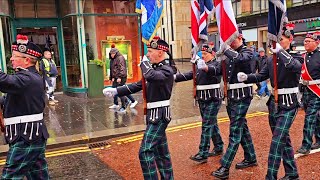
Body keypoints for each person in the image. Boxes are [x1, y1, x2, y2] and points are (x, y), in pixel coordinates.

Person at [103, 36, 174, 179]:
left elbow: (151, 76)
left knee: (145, 151)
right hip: (154, 115)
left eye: (150, 51)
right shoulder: (156, 69)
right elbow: (139, 85)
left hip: (159, 116)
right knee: (162, 154)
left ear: (160, 53)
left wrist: (144, 64)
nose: (148, 54)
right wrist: (117, 90)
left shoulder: (167, 70)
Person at [237, 23, 302, 180]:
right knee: (283, 140)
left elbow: (295, 66)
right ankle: (292, 173)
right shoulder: (270, 58)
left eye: (281, 39)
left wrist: (280, 52)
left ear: (290, 39)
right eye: (275, 40)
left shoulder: (296, 56)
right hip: (274, 104)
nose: (277, 42)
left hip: (289, 103)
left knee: (276, 141)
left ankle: (270, 176)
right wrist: (248, 78)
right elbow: (262, 75)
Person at [1, 34, 49, 179]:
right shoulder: (26, 78)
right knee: (38, 176)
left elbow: (4, 81)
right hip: (29, 135)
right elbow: (8, 99)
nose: (11, 59)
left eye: (15, 56)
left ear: (26, 60)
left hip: (26, 137)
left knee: (9, 177)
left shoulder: (27, 78)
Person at [211, 29, 257, 179]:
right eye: (228, 40)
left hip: (243, 95)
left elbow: (241, 59)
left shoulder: (248, 51)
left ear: (241, 37)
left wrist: (227, 51)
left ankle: (224, 167)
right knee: (241, 126)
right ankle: (250, 157)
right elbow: (218, 71)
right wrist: (207, 64)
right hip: (231, 96)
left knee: (235, 131)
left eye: (232, 39)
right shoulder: (229, 54)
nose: (230, 42)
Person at [175, 42, 224, 163]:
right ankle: (218, 146)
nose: (203, 56)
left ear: (212, 54)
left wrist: (205, 67)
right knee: (212, 124)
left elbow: (215, 71)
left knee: (207, 125)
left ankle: (203, 152)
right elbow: (191, 75)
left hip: (213, 98)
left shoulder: (216, 64)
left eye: (206, 54)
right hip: (202, 99)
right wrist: (174, 77)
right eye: (202, 54)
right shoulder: (201, 65)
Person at [297, 31, 320, 154]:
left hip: (317, 91)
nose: (305, 43)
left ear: (316, 42)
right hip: (305, 91)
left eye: (308, 41)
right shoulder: (303, 57)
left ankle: (306, 145)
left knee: (309, 118)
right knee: (315, 117)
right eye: (305, 41)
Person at [108, 45, 138, 110]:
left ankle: (126, 103)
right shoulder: (113, 59)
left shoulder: (120, 58)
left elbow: (122, 68)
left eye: (113, 54)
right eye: (111, 54)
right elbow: (112, 69)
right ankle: (116, 103)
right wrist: (112, 77)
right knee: (114, 90)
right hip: (116, 77)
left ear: (115, 53)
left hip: (120, 77)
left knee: (121, 91)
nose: (112, 55)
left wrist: (119, 77)